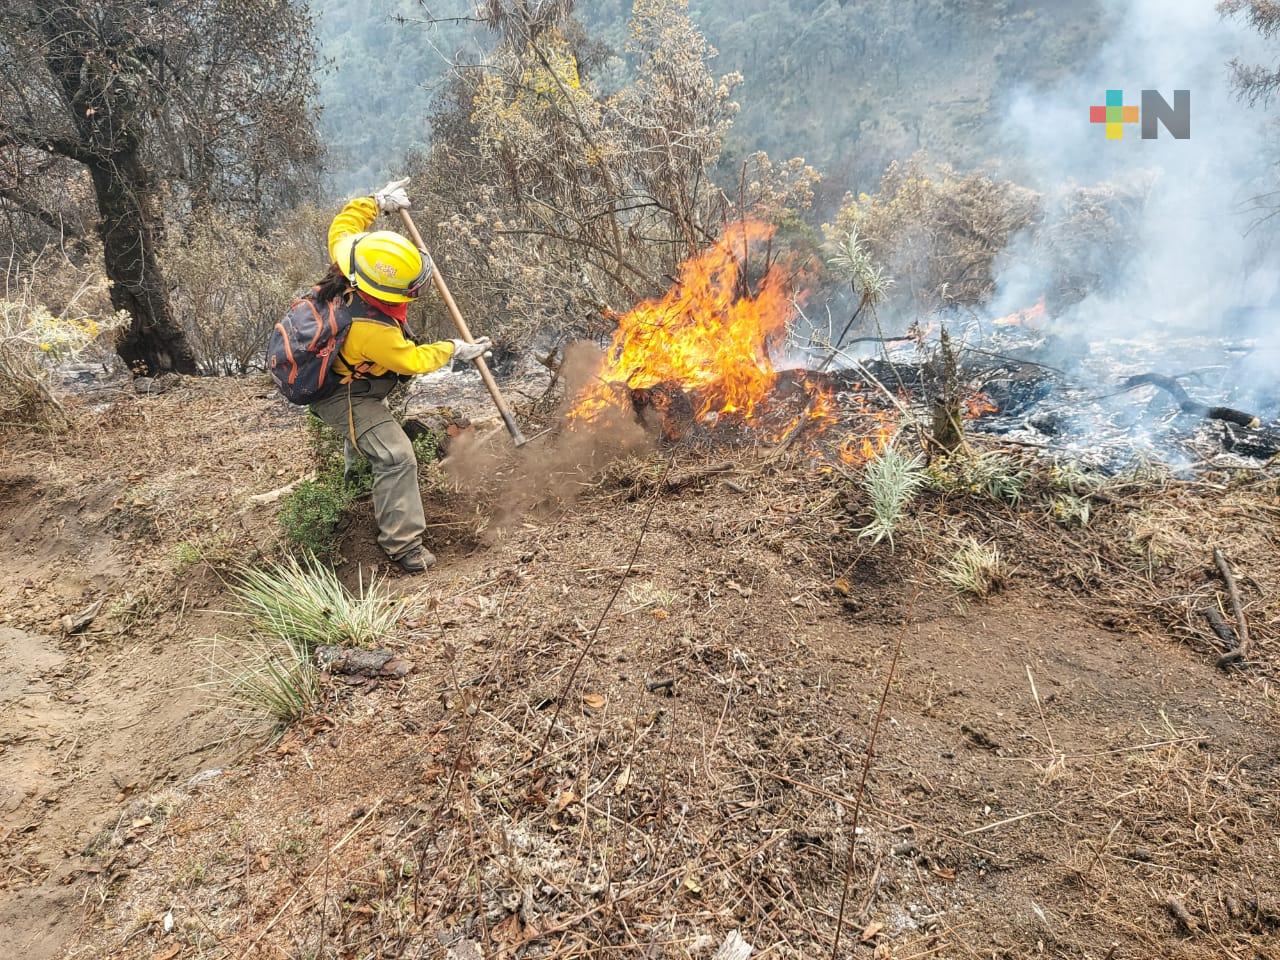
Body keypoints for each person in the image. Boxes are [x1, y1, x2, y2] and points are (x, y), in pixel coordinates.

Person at [308, 178, 491, 573]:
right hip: (342, 393)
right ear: (387, 292)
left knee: (367, 444)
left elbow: (343, 224)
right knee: (395, 456)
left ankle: (356, 496)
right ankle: (403, 546)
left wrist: (376, 202)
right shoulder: (371, 331)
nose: (417, 291)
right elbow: (411, 361)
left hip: (352, 380)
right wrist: (454, 350)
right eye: (410, 288)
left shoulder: (349, 258)